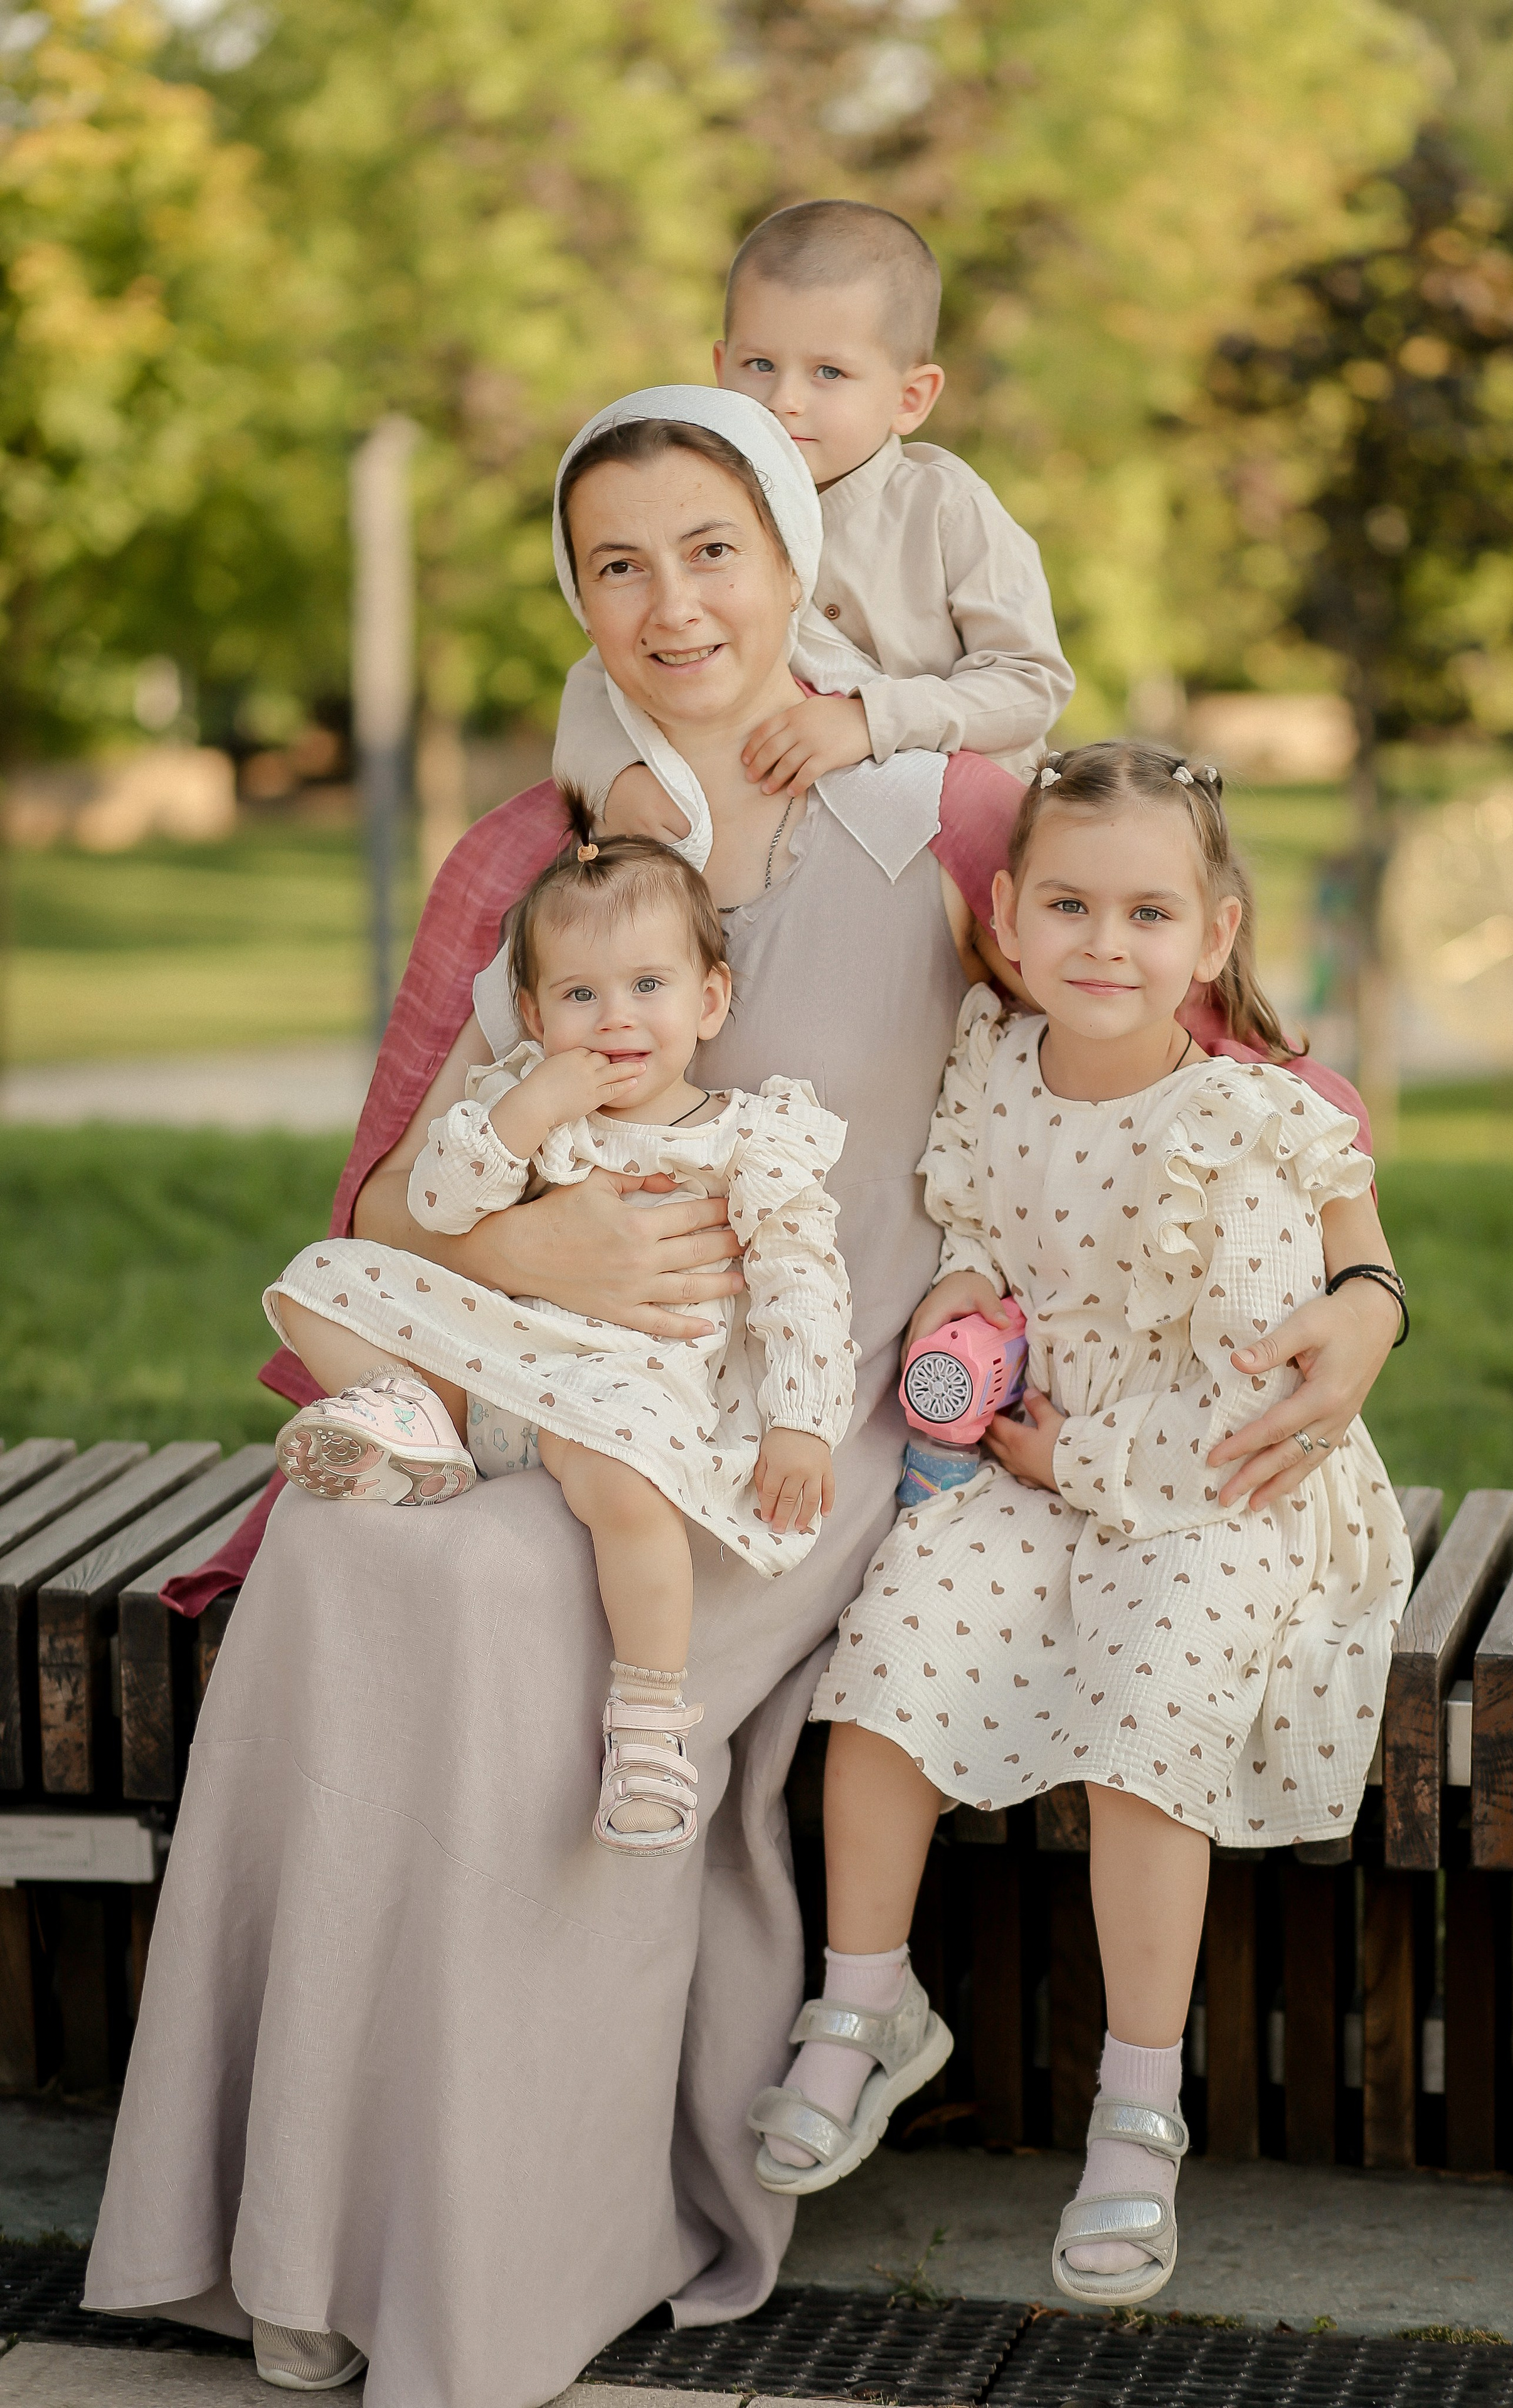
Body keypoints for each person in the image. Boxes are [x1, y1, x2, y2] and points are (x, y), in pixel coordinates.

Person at [83, 388, 1404, 2408]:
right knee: (359, 1570)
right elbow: (381, 1184)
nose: (671, 602)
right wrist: (514, 1254)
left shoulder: (954, 814)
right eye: (616, 562)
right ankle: (290, 2228)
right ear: (574, 598)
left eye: (715, 549)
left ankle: (518, 2249)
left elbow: (1226, 1041)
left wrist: (1367, 1289)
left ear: (798, 561)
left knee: (511, 1608)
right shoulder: (533, 849)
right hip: (563, 1375)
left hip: (835, 1405)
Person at [747, 742, 1411, 2313]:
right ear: (1002, 913)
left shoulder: (1240, 1126)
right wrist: (965, 1290)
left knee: (1141, 1723)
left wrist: (1073, 1465)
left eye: (1146, 911)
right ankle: (861, 2005)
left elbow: (1251, 1392)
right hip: (1037, 1455)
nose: (1103, 941)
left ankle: (1135, 2098)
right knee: (887, 1654)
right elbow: (977, 1216)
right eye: (1067, 903)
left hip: (1210, 1479)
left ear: (1215, 930)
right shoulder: (990, 1059)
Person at [266, 833, 853, 1855]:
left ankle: (647, 1727)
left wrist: (801, 1425)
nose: (616, 1016)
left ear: (709, 1002)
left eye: (647, 984)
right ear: (533, 1019)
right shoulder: (522, 1112)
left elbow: (804, 1286)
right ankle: (421, 1427)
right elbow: (440, 1208)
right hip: (496, 1369)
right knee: (321, 1279)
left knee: (631, 1496)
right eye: (580, 996)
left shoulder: (747, 1138)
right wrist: (530, 1104)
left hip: (623, 1394)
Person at [556, 198, 1075, 842]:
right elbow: (600, 675)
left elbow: (1030, 683)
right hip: (772, 834)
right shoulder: (705, 510)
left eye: (828, 372)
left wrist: (868, 721)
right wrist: (614, 776)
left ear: (910, 398)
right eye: (760, 366)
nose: (785, 401)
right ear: (720, 371)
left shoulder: (944, 507)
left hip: (964, 841)